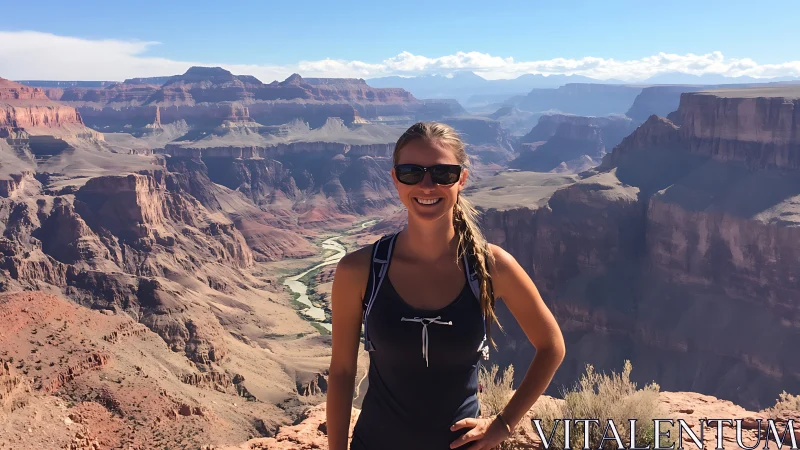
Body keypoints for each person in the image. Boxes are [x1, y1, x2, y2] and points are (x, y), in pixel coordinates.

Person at [326, 121, 566, 450]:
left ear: (461, 179)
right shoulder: (359, 270)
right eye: (411, 172)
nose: (427, 185)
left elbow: (552, 346)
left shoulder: (491, 267)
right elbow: (341, 371)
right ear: (395, 179)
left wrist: (504, 424)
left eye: (443, 173)